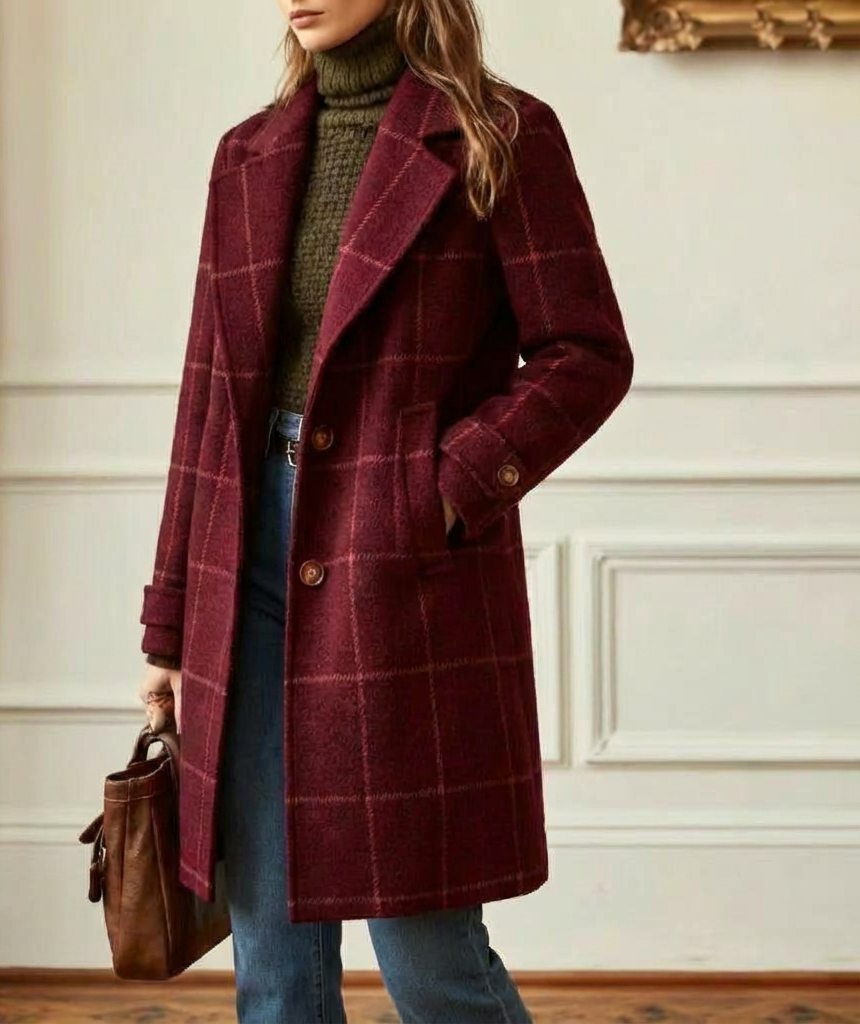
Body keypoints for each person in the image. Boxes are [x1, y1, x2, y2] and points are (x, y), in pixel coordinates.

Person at [138, 1, 633, 1020]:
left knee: (429, 956)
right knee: (272, 965)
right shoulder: (247, 155)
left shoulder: (499, 134)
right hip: (246, 560)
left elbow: (585, 353)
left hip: (400, 568)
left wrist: (437, 489)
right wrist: (169, 624)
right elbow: (207, 398)